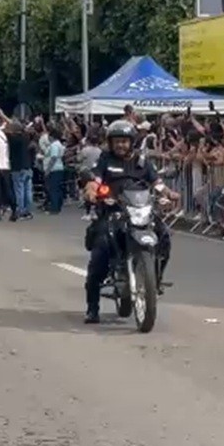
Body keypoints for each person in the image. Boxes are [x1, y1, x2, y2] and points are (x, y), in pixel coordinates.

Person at [82, 120, 177, 324]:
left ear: (131, 142)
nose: (121, 145)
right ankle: (92, 307)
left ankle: (155, 279)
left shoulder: (142, 162)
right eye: (117, 141)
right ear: (110, 142)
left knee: (165, 236)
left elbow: (157, 184)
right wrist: (91, 191)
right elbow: (95, 180)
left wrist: (168, 194)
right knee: (100, 250)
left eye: (124, 141)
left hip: (141, 211)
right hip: (113, 212)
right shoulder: (105, 160)